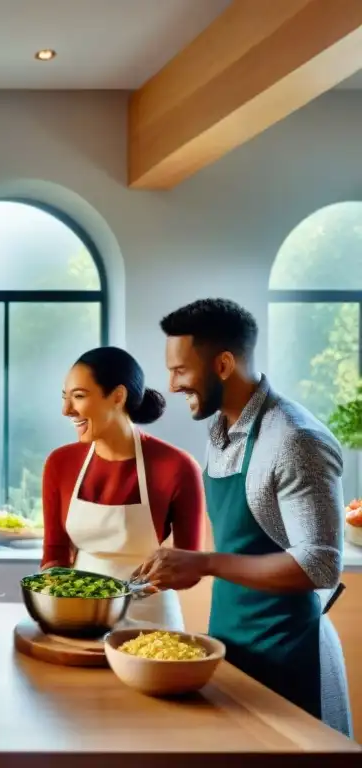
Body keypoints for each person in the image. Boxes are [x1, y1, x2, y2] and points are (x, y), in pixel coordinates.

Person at [137, 298, 351, 737]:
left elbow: (321, 565)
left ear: (223, 364)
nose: (171, 385)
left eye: (180, 370)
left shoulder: (295, 439)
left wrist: (207, 562)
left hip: (293, 659)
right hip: (234, 648)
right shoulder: (220, 432)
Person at [41, 346, 205, 630]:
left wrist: (153, 580)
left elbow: (192, 569)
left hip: (151, 623)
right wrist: (62, 599)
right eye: (65, 398)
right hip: (81, 617)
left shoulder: (176, 467)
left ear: (118, 396)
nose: (66, 410)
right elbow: (55, 551)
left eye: (78, 396)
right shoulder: (60, 464)